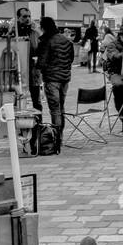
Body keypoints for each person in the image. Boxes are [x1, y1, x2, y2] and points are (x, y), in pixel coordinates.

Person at [35, 17, 75, 149]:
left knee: (55, 110)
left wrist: (36, 64)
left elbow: (42, 63)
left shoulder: (47, 41)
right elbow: (71, 59)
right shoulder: (66, 40)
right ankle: (60, 137)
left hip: (52, 79)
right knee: (61, 109)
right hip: (65, 79)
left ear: (44, 27)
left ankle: (56, 140)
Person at [0, 6, 41, 111]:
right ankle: (16, 124)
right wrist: (5, 31)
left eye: (29, 16)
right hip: (16, 70)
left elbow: (39, 48)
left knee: (36, 100)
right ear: (17, 17)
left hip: (32, 70)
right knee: (16, 99)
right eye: (24, 16)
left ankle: (38, 124)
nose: (27, 19)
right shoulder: (12, 31)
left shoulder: (35, 32)